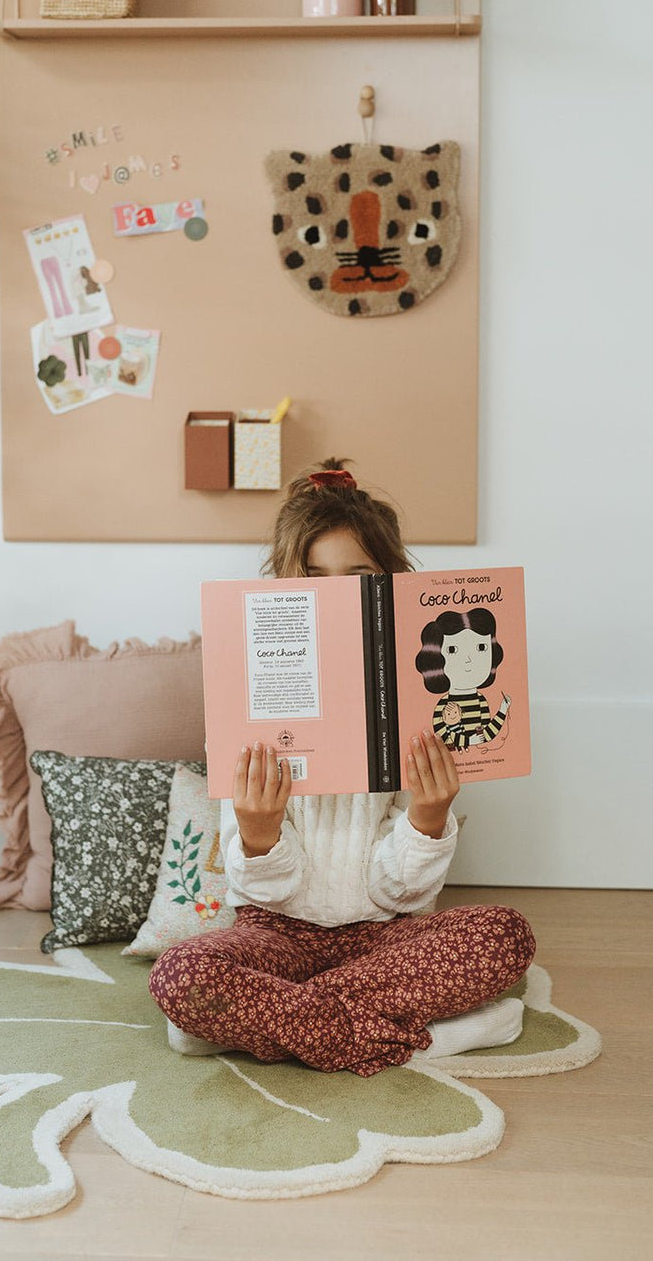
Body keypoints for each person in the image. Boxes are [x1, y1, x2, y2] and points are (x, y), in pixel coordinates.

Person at [148, 458, 535, 1076]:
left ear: (390, 585)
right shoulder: (246, 695)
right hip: (275, 935)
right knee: (185, 972)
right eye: (314, 578)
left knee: (503, 936)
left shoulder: (419, 698)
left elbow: (401, 891)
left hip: (384, 937)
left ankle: (265, 1028)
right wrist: (258, 831)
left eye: (357, 578)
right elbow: (260, 891)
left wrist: (429, 819)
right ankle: (426, 1036)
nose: (335, 595)